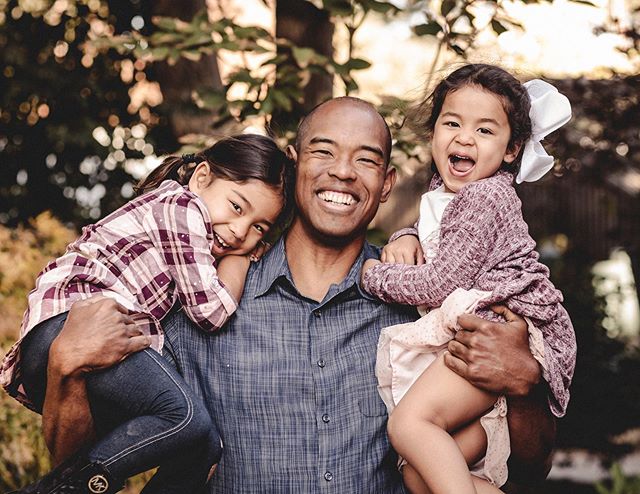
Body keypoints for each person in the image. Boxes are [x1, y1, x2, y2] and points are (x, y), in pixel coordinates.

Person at [42, 97, 556, 493]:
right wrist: (65, 366)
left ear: (386, 183)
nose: (343, 172)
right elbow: (79, 467)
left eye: (367, 160)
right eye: (323, 151)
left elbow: (526, 473)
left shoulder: (427, 311)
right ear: (292, 166)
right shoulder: (196, 299)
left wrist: (527, 387)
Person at [0, 134, 295, 493]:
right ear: (202, 178)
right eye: (237, 207)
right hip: (70, 323)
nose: (240, 230)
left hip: (84, 344)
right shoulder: (182, 207)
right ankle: (55, 490)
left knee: (203, 447)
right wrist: (240, 260)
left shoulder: (184, 220)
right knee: (184, 417)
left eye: (259, 228)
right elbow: (212, 311)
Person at [361, 64, 576, 493]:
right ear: (434, 130)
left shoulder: (485, 195)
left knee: (410, 426)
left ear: (512, 149)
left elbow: (439, 281)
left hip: (505, 327)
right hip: (483, 324)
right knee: (420, 475)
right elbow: (445, 242)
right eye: (452, 123)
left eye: (484, 130)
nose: (463, 138)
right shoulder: (450, 190)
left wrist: (371, 274)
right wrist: (405, 234)